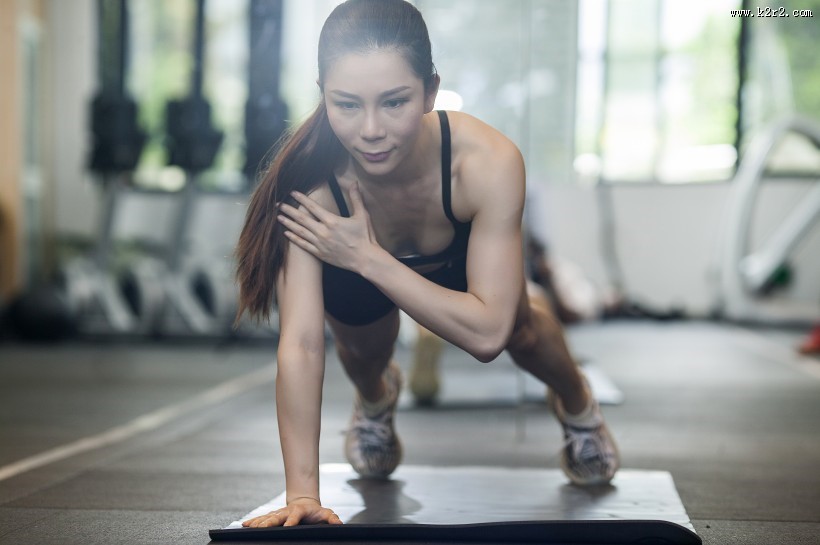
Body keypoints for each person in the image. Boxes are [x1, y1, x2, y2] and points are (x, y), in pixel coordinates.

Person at [234, 0, 619, 528]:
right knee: (362, 352)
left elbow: (487, 336)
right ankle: (377, 398)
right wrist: (302, 494)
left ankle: (577, 404)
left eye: (394, 102)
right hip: (354, 259)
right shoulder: (309, 185)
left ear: (430, 91)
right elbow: (300, 344)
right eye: (347, 104)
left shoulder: (485, 162)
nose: (371, 129)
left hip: (436, 260)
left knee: (522, 331)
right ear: (323, 94)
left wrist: (368, 257)